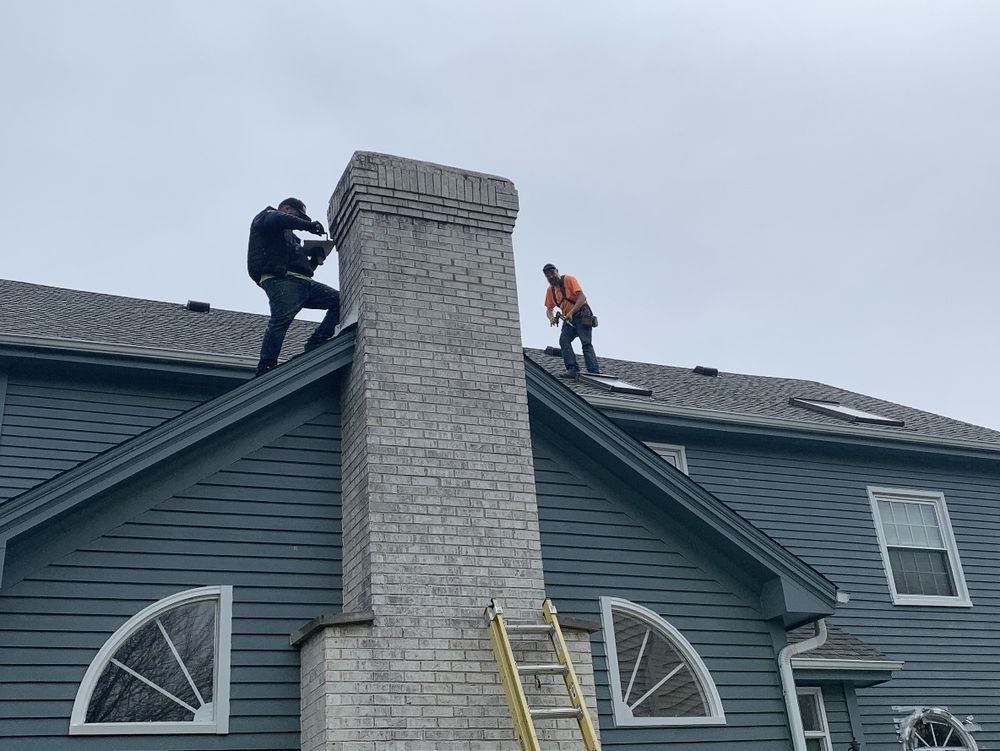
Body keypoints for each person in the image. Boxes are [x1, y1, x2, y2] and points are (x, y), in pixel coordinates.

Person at [247, 197, 340, 376]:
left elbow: (302, 268)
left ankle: (317, 342)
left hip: (302, 282)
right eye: (297, 216)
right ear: (287, 209)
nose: (296, 222)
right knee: (281, 321)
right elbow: (278, 219)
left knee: (339, 301)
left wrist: (314, 259)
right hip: (281, 280)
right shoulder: (267, 216)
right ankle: (266, 366)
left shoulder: (290, 238)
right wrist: (310, 226)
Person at [543, 263, 601, 378]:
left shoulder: (569, 279)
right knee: (564, 340)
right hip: (569, 319)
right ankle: (572, 369)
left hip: (581, 314)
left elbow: (582, 297)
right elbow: (549, 309)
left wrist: (571, 312)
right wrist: (551, 318)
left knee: (586, 343)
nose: (551, 277)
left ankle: (593, 371)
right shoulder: (551, 291)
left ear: (557, 271)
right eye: (548, 275)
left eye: (552, 273)